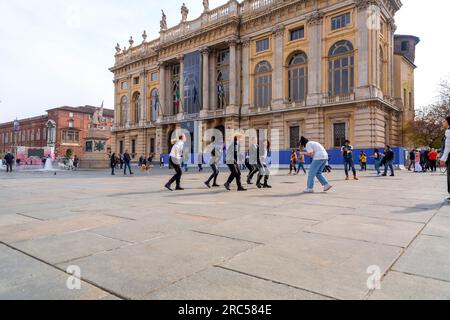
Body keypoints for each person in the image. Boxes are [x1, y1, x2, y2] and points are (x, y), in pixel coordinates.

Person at [439, 116, 450, 202]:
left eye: (444, 121)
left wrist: (443, 158)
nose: (443, 123)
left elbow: (448, 147)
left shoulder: (448, 131)